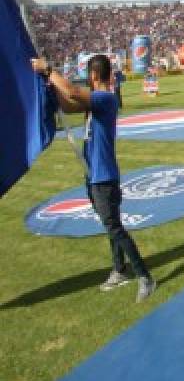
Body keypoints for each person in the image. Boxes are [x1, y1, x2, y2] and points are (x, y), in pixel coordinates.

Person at [30, 55, 156, 302]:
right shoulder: (95, 102)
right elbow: (68, 104)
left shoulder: (105, 99)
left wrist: (49, 68)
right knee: (111, 225)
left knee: (115, 228)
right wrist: (49, 84)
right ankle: (120, 270)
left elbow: (73, 92)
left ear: (94, 75)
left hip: (104, 177)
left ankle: (145, 277)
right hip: (95, 176)